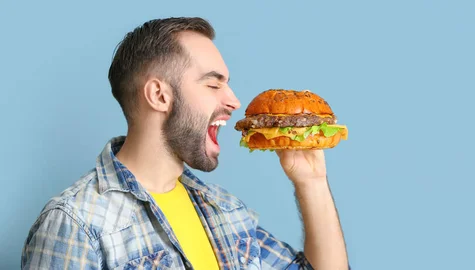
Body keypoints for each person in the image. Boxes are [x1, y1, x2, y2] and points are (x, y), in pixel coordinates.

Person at [21, 17, 349, 270]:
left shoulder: (224, 209)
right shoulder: (76, 223)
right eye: (212, 85)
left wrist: (312, 182)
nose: (234, 101)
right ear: (159, 95)